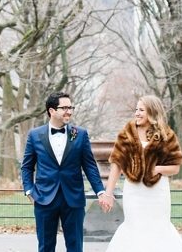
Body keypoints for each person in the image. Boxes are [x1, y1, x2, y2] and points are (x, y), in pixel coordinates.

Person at [21, 91, 108, 252]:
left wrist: (100, 191)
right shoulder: (35, 135)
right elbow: (27, 167)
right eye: (64, 107)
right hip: (44, 199)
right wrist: (29, 191)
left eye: (70, 107)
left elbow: (89, 166)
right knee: (45, 247)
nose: (69, 111)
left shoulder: (80, 134)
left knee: (75, 247)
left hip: (73, 199)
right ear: (51, 111)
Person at [101, 95, 182, 252]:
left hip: (158, 194)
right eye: (136, 110)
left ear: (152, 112)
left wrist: (158, 169)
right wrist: (108, 194)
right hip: (134, 193)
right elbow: (117, 166)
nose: (137, 113)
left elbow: (175, 167)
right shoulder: (127, 133)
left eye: (141, 110)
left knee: (159, 229)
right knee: (134, 227)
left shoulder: (167, 135)